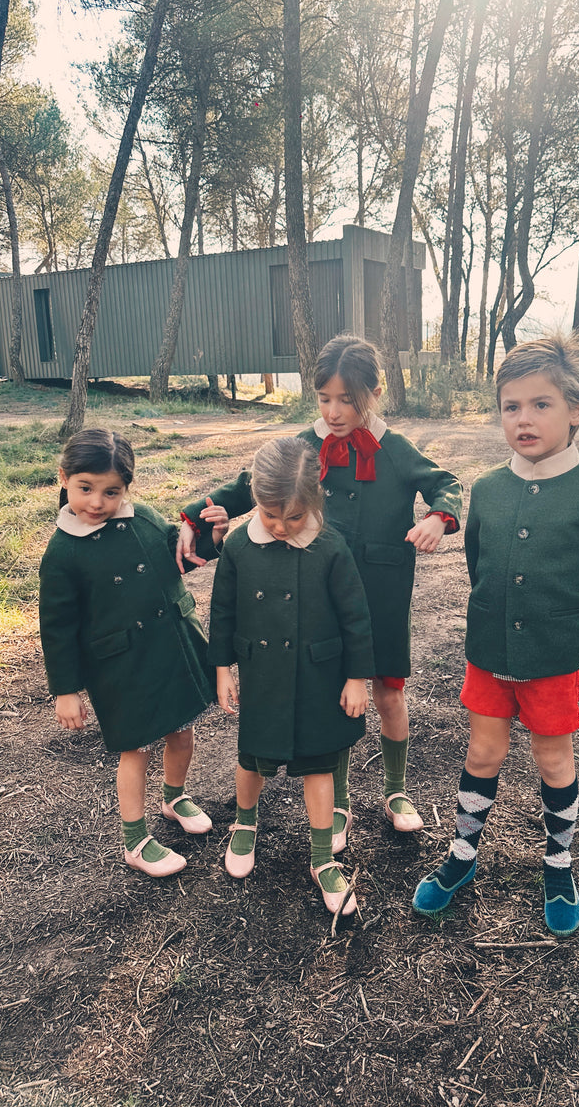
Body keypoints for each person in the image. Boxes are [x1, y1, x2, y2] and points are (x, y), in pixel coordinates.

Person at [179, 334, 462, 854]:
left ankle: (396, 790)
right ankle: (340, 802)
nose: (334, 412)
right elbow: (251, 484)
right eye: (324, 398)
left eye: (346, 400)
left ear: (373, 393)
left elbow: (444, 482)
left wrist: (440, 518)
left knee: (387, 691)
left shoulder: (394, 448)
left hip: (381, 592)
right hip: (317, 599)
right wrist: (200, 510)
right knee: (339, 696)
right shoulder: (305, 446)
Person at [412, 332, 579, 936]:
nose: (524, 419)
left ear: (577, 410)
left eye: (541, 404)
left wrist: (575, 623)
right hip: (488, 654)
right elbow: (481, 561)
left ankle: (559, 864)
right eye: (511, 406)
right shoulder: (487, 489)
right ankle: (463, 854)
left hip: (555, 658)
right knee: (482, 752)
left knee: (552, 758)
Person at [208, 436, 374, 916]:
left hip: (319, 675)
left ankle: (322, 858)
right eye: (270, 515)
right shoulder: (239, 545)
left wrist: (356, 677)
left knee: (319, 764)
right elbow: (222, 612)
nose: (281, 527)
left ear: (316, 500)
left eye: (294, 517)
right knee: (252, 757)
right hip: (262, 673)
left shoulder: (330, 546)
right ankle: (245, 824)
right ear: (255, 501)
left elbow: (356, 618)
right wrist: (223, 669)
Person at [39, 428, 216, 879]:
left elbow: (183, 551)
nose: (97, 502)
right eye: (85, 488)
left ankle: (174, 796)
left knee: (181, 729)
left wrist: (210, 536)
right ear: (63, 478)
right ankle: (135, 839)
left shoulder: (144, 519)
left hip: (169, 646)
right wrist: (66, 690)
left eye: (111, 491)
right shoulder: (63, 552)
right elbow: (57, 628)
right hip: (120, 665)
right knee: (134, 747)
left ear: (126, 488)